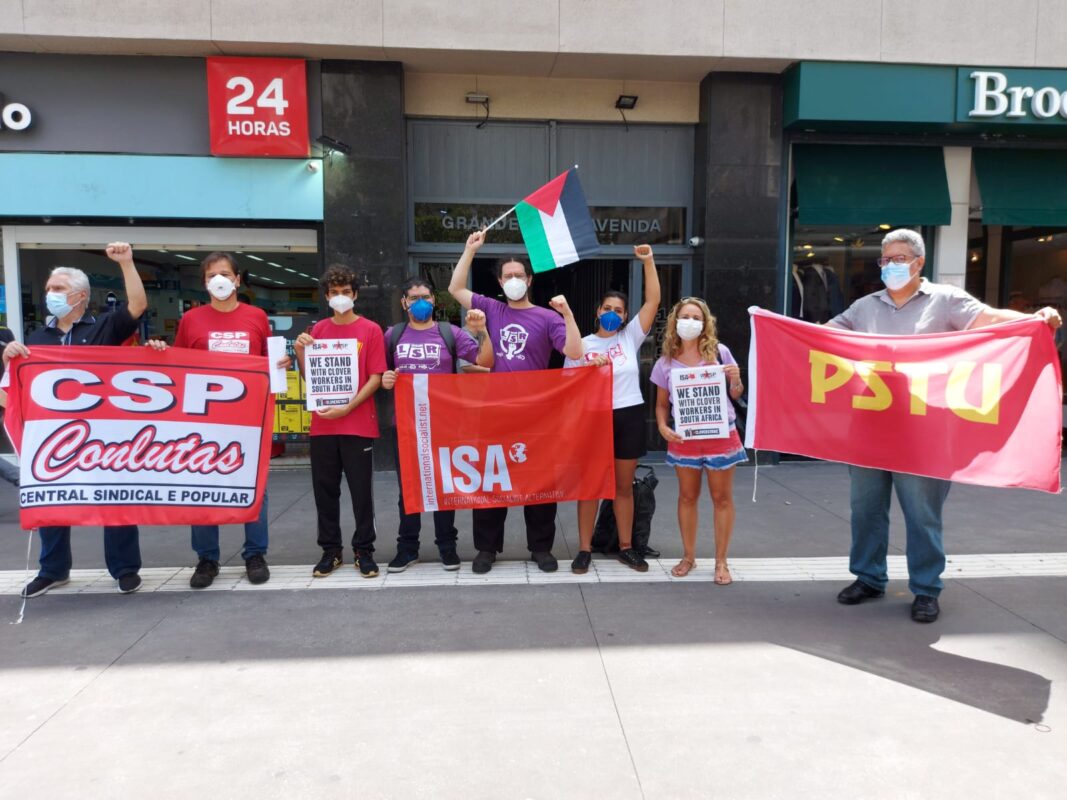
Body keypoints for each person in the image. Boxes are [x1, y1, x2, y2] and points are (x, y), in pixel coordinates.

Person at [828, 228, 1063, 623]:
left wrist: (1035, 319)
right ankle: (868, 577)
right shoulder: (864, 307)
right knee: (865, 508)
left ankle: (926, 588)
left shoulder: (946, 300)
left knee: (922, 512)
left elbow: (991, 320)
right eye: (885, 259)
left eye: (899, 258)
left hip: (924, 431)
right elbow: (824, 336)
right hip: (869, 428)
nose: (890, 265)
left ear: (919, 262)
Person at [1, 244, 148, 597]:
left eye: (58, 288)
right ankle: (52, 569)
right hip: (56, 436)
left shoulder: (106, 327)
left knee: (115, 499)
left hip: (106, 434)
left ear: (80, 296)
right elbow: (14, 392)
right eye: (49, 288)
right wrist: (10, 358)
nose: (50, 294)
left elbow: (138, 306)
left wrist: (126, 263)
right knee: (52, 499)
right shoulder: (38, 339)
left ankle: (125, 569)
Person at [447, 230, 583, 574]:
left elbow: (575, 352)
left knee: (539, 481)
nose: (513, 280)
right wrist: (469, 250)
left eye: (518, 275)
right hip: (496, 412)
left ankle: (541, 548)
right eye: (507, 276)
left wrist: (567, 314)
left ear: (530, 279)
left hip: (537, 413)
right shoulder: (491, 308)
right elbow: (455, 289)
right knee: (492, 480)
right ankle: (487, 549)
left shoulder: (547, 317)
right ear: (499, 280)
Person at [166, 252, 290, 588]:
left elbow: (269, 361)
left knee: (255, 487)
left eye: (224, 274)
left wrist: (281, 365)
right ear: (204, 282)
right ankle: (207, 559)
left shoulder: (256, 316)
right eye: (210, 275)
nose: (218, 280)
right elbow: (178, 365)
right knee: (204, 486)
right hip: (203, 418)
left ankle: (255, 554)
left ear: (237, 280)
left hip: (248, 416)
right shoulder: (191, 320)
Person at [380, 277, 494, 572]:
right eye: (414, 297)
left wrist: (481, 332)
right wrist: (385, 378)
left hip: (443, 423)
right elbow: (378, 371)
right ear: (404, 302)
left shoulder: (450, 333)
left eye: (426, 297)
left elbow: (486, 362)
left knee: (444, 484)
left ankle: (447, 547)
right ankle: (407, 548)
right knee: (409, 489)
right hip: (404, 424)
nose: (420, 302)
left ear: (434, 301)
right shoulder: (392, 335)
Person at [564, 244, 661, 574]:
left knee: (623, 486)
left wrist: (648, 261)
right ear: (597, 311)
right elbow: (567, 385)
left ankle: (626, 546)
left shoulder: (629, 337)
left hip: (628, 415)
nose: (613, 314)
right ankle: (584, 548)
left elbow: (653, 302)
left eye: (619, 310)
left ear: (624, 315)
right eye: (608, 308)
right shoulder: (582, 344)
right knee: (590, 484)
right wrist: (589, 370)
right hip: (593, 418)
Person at [294, 265, 387, 579]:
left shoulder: (371, 330)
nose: (340, 297)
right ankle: (330, 551)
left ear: (355, 294)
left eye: (346, 292)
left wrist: (348, 407)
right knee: (325, 491)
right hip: (323, 425)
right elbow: (313, 379)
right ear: (326, 296)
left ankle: (364, 550)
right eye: (334, 293)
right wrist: (299, 352)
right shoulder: (317, 330)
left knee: (361, 492)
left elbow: (375, 377)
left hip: (357, 424)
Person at [651, 297, 746, 583]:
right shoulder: (665, 362)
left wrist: (736, 379)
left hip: (721, 435)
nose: (690, 322)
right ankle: (688, 557)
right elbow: (661, 405)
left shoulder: (720, 352)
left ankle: (721, 562)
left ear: (705, 323)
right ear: (675, 322)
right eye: (685, 316)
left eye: (695, 317)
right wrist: (662, 427)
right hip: (685, 438)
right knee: (687, 497)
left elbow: (737, 394)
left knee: (722, 498)